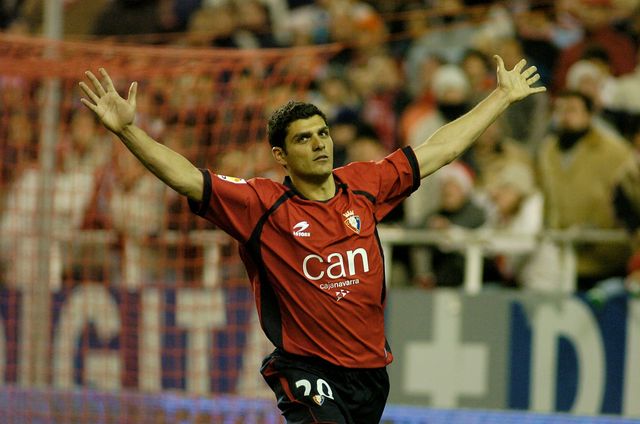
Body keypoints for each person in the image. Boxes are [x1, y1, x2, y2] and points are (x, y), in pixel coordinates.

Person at [79, 55, 544, 424]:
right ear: (280, 155)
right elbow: (186, 178)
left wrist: (501, 97)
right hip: (306, 369)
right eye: (304, 139)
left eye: (323, 133)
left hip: (370, 374)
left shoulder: (364, 184)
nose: (320, 143)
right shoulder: (262, 205)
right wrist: (128, 131)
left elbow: (441, 148)